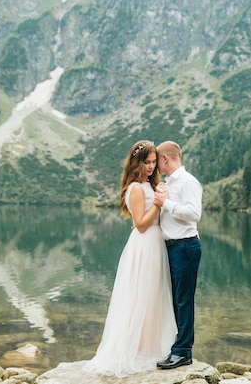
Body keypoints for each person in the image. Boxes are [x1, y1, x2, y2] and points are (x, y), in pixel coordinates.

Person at [83, 140, 177, 378]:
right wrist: (158, 202)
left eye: (154, 162)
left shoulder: (152, 184)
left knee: (153, 296)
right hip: (145, 246)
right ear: (137, 162)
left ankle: (149, 347)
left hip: (157, 245)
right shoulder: (135, 188)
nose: (151, 167)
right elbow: (141, 225)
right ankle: (135, 349)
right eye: (147, 162)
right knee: (141, 295)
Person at [153, 140, 202, 370]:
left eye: (157, 161)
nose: (154, 167)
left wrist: (167, 203)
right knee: (175, 299)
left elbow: (194, 214)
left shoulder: (188, 181)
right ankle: (179, 348)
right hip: (173, 247)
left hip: (184, 247)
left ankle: (183, 352)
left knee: (183, 300)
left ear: (165, 158)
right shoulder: (169, 183)